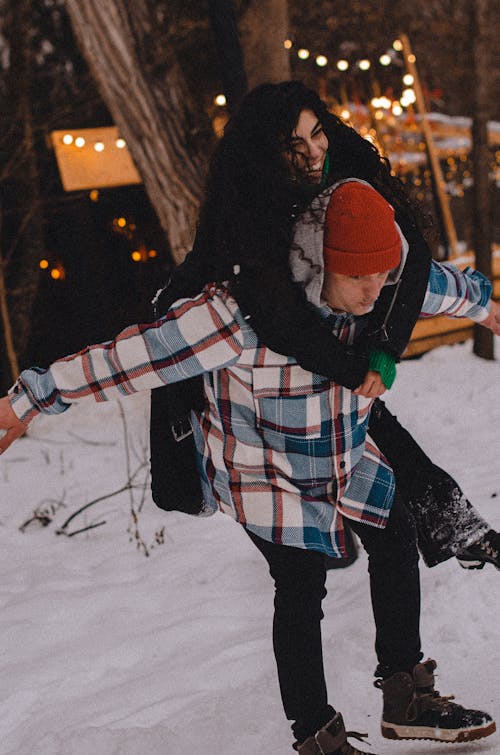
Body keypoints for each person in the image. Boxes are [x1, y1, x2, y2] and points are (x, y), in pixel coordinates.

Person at [0, 181, 498, 754]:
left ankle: (406, 694)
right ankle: (317, 734)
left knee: (396, 533)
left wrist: (487, 308)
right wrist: (32, 397)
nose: (372, 291)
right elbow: (134, 356)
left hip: (338, 450)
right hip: (263, 471)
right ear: (320, 259)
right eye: (357, 276)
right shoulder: (242, 313)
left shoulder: (388, 287)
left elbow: (442, 285)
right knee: (301, 578)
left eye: (383, 275)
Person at [150, 81, 500, 571]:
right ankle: (314, 536)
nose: (315, 152)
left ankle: (446, 524)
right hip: (260, 362)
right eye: (295, 146)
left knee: (370, 428)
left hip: (329, 339)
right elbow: (276, 316)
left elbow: (409, 263)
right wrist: (352, 368)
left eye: (318, 134)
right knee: (326, 439)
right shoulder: (248, 214)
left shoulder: (348, 169)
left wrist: (390, 345)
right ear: (265, 155)